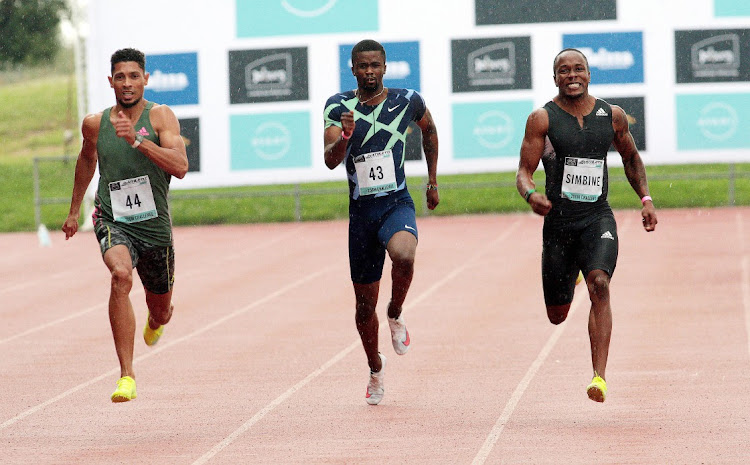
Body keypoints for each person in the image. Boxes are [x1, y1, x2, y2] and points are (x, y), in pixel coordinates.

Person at [516, 48, 657, 403]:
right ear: (555, 78)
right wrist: (531, 194)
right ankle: (571, 276)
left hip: (597, 218)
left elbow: (631, 158)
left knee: (600, 284)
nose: (572, 75)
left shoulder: (611, 116)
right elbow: (523, 172)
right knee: (556, 316)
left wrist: (646, 199)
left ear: (589, 74)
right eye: (564, 71)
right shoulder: (542, 119)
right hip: (559, 225)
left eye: (579, 69)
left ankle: (599, 377)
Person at [62, 48, 188, 402]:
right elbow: (87, 161)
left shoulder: (160, 116)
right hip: (112, 217)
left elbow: (179, 166)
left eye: (134, 76)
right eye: (120, 77)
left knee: (161, 309)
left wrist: (136, 139)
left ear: (145, 79)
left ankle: (156, 319)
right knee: (120, 275)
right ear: (111, 81)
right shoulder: (94, 124)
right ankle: (127, 376)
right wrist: (74, 211)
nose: (128, 83)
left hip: (154, 227)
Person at [323, 39, 439, 405]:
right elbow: (329, 160)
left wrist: (432, 180)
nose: (369, 71)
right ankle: (375, 367)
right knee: (361, 310)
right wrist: (344, 136)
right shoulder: (338, 105)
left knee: (404, 255)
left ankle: (396, 312)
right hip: (361, 216)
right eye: (362, 66)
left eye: (375, 65)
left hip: (396, 203)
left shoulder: (407, 100)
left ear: (385, 68)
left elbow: (429, 130)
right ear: (353, 68)